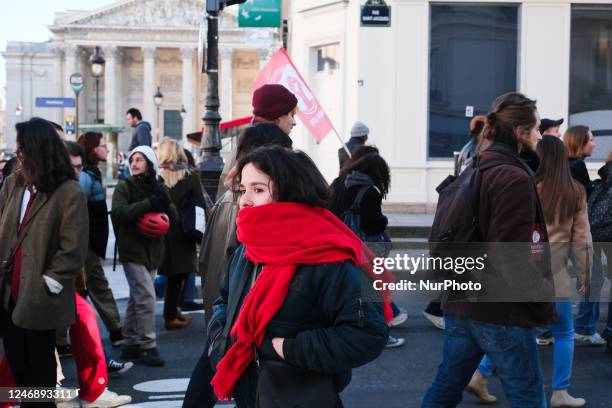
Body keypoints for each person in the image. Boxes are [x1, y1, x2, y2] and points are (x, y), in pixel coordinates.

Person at [207, 146, 388, 407]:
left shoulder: (330, 258)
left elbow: (368, 335)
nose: (244, 200)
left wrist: (285, 348)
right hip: (249, 391)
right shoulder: (248, 247)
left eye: (258, 190)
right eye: (242, 189)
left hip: (301, 396)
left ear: (290, 193)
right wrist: (220, 338)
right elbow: (223, 299)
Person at [422, 93, 555, 407]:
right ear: (521, 131)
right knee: (527, 394)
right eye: (536, 128)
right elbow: (510, 255)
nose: (540, 135)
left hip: (463, 301)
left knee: (447, 384)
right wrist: (542, 296)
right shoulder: (513, 176)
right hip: (500, 309)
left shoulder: (478, 164)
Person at [469, 136, 591, 408]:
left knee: (519, 326)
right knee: (564, 333)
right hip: (556, 275)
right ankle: (560, 392)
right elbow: (582, 240)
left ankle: (481, 374)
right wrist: (585, 275)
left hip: (524, 271)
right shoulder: (576, 191)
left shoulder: (529, 185)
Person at [183, 123, 293, 408]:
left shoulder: (229, 197)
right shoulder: (247, 207)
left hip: (230, 321)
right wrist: (226, 326)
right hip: (238, 323)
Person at [0, 118, 88, 407]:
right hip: (7, 293)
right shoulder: (13, 183)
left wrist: (47, 283)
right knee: (20, 374)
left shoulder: (69, 192)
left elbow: (73, 248)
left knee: (41, 379)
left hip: (39, 297)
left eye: (21, 144)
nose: (16, 150)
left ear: (36, 148)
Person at [329, 149, 407, 348]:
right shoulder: (369, 190)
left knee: (346, 292)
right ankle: (381, 335)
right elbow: (372, 224)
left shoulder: (339, 183)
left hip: (337, 244)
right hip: (365, 250)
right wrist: (384, 220)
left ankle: (346, 331)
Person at [111, 145, 177, 367]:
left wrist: (165, 203)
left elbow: (173, 216)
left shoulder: (159, 186)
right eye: (132, 160)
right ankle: (149, 346)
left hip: (153, 252)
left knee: (137, 298)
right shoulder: (124, 186)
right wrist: (149, 204)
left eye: (140, 159)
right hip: (132, 251)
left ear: (149, 163)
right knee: (147, 297)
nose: (135, 164)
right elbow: (119, 213)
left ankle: (130, 344)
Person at [75, 132, 124, 347]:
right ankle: (116, 332)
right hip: (87, 243)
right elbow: (76, 208)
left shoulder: (91, 172)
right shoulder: (86, 175)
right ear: (92, 149)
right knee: (97, 285)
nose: (106, 149)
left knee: (86, 288)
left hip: (89, 241)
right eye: (102, 145)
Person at [563, 125, 606, 346]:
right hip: (576, 231)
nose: (594, 143)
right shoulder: (577, 165)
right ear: (579, 142)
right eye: (590, 140)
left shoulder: (561, 164)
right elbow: (585, 197)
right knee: (593, 277)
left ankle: (545, 330)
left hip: (560, 231)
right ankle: (586, 327)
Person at [157, 138, 206, 330]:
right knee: (180, 273)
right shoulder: (190, 175)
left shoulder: (158, 176)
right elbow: (199, 203)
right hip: (184, 231)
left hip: (163, 229)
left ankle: (174, 310)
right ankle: (170, 316)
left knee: (173, 273)